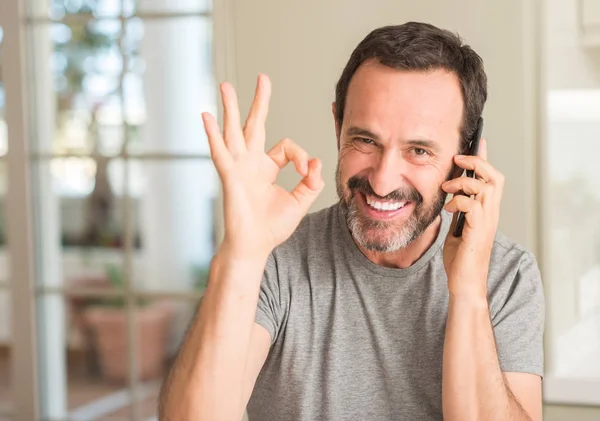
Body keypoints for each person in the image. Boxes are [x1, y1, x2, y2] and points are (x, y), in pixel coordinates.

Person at [158, 21, 544, 421]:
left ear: (465, 158)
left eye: (418, 150)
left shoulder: (506, 274)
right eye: (365, 140)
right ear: (337, 125)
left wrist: (468, 293)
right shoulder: (274, 256)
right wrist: (241, 254)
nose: (382, 179)